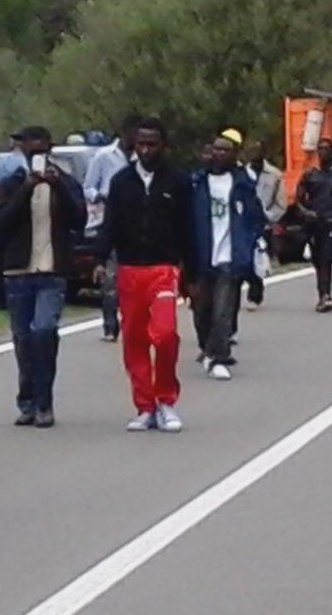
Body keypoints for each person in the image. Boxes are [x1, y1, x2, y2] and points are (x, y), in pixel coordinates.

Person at [100, 117, 193, 432]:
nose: (146, 150)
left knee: (165, 334)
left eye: (152, 144)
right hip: (129, 270)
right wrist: (100, 258)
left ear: (163, 146)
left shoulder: (178, 181)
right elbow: (109, 223)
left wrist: (192, 272)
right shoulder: (121, 181)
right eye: (141, 144)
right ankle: (145, 407)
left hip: (163, 269)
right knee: (134, 341)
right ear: (133, 145)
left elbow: (189, 228)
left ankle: (166, 400)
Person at [0, 126, 85, 427]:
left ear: (50, 149)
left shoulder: (66, 183)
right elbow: (1, 224)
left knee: (44, 332)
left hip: (52, 271)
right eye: (31, 150)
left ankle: (45, 403)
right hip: (17, 272)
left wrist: (57, 187)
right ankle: (27, 401)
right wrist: (26, 189)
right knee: (22, 338)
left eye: (42, 149)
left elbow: (79, 220)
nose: (37, 154)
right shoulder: (11, 184)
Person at [185, 133, 266, 381]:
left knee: (223, 310)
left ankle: (218, 356)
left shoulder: (242, 183)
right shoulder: (196, 183)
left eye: (225, 150)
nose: (219, 154)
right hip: (201, 257)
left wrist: (253, 244)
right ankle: (206, 347)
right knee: (201, 310)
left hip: (230, 258)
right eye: (216, 149)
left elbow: (255, 218)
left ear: (234, 155)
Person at [83, 117, 138, 342]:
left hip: (135, 222)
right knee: (110, 278)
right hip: (108, 220)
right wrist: (100, 197)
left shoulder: (140, 159)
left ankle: (132, 322)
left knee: (132, 277)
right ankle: (110, 324)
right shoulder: (104, 156)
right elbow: (88, 186)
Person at [294, 137, 332, 312]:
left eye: (326, 148)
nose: (322, 152)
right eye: (320, 148)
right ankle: (322, 293)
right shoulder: (310, 175)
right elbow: (299, 199)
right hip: (313, 222)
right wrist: (305, 212)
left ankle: (326, 295)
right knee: (318, 259)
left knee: (326, 257)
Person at [240, 138, 285, 309]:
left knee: (258, 258)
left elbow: (280, 202)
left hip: (262, 224)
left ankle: (255, 294)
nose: (254, 154)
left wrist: (270, 218)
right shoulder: (240, 174)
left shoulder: (274, 175)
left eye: (257, 150)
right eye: (251, 150)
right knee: (243, 259)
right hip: (243, 223)